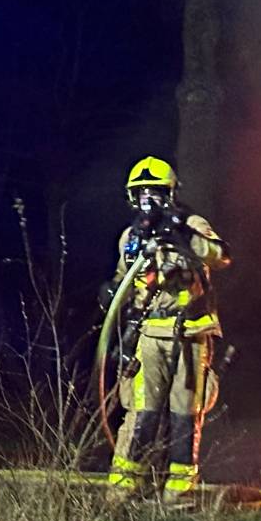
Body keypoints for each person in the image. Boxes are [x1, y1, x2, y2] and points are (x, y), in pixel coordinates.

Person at [103, 156, 230, 502]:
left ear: (169, 194)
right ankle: (125, 485)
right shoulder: (131, 237)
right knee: (142, 408)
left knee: (184, 411)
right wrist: (112, 291)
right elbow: (124, 277)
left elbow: (220, 255)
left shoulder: (190, 224)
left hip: (190, 333)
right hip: (148, 334)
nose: (148, 200)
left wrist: (183, 236)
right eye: (141, 194)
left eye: (155, 193)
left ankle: (179, 489)